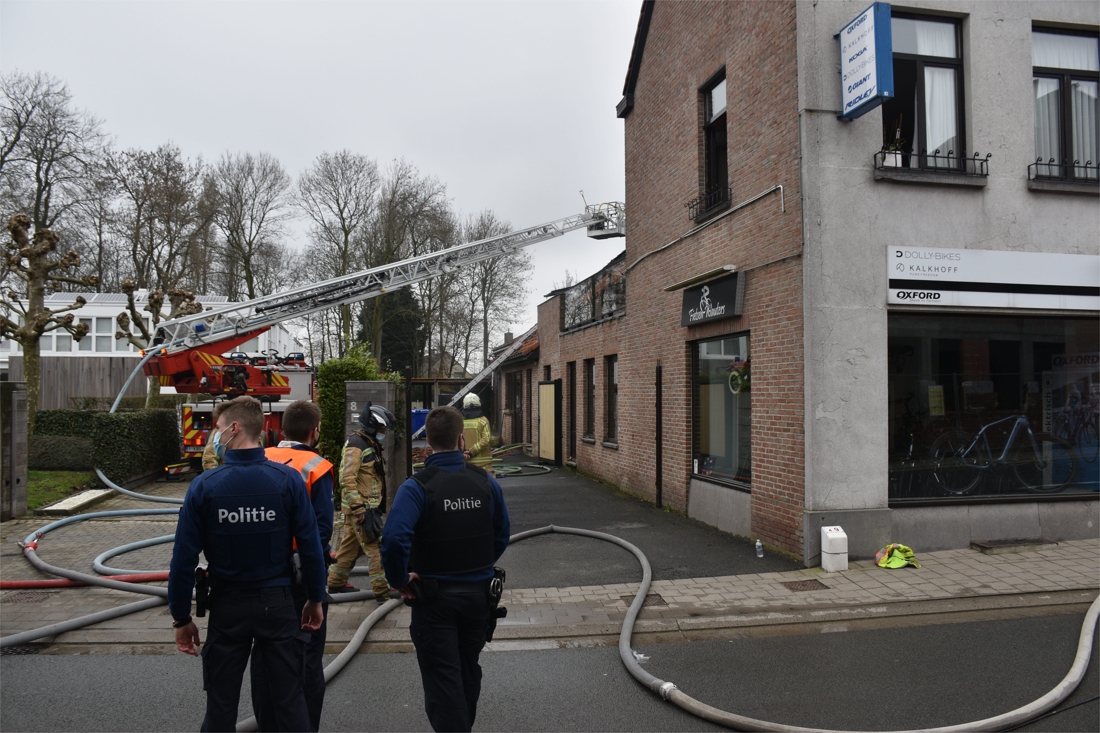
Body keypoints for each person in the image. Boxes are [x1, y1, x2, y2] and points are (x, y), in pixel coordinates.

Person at [168, 395, 326, 733]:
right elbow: (311, 548)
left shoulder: (204, 487)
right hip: (279, 606)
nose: (216, 436)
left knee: (221, 708)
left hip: (227, 608)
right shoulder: (288, 482)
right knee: (290, 702)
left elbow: (183, 559)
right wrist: (315, 598)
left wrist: (181, 617)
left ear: (235, 429)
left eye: (219, 428)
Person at [381, 405, 511, 733]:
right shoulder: (485, 482)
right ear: (459, 438)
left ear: (427, 439)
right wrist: (478, 565)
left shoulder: (417, 487)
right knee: (468, 670)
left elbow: (394, 539)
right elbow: (502, 534)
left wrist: (399, 580)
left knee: (443, 680)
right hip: (479, 599)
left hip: (434, 602)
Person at [259, 400, 334, 733]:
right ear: (314, 431)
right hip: (301, 577)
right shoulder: (316, 467)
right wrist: (316, 592)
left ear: (281, 429)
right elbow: (319, 533)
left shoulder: (259, 457)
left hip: (260, 576)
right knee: (306, 660)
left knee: (264, 659)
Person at [327, 402, 395, 601]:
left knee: (350, 546)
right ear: (373, 427)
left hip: (365, 507)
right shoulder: (357, 445)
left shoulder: (369, 443)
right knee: (374, 548)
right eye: (382, 429)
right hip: (362, 508)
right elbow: (346, 478)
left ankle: (336, 583)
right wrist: (358, 507)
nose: (384, 432)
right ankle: (382, 590)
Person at [460, 393, 494, 476]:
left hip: (466, 463)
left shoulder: (460, 422)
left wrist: (464, 453)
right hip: (483, 464)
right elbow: (486, 440)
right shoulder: (483, 421)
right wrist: (471, 451)